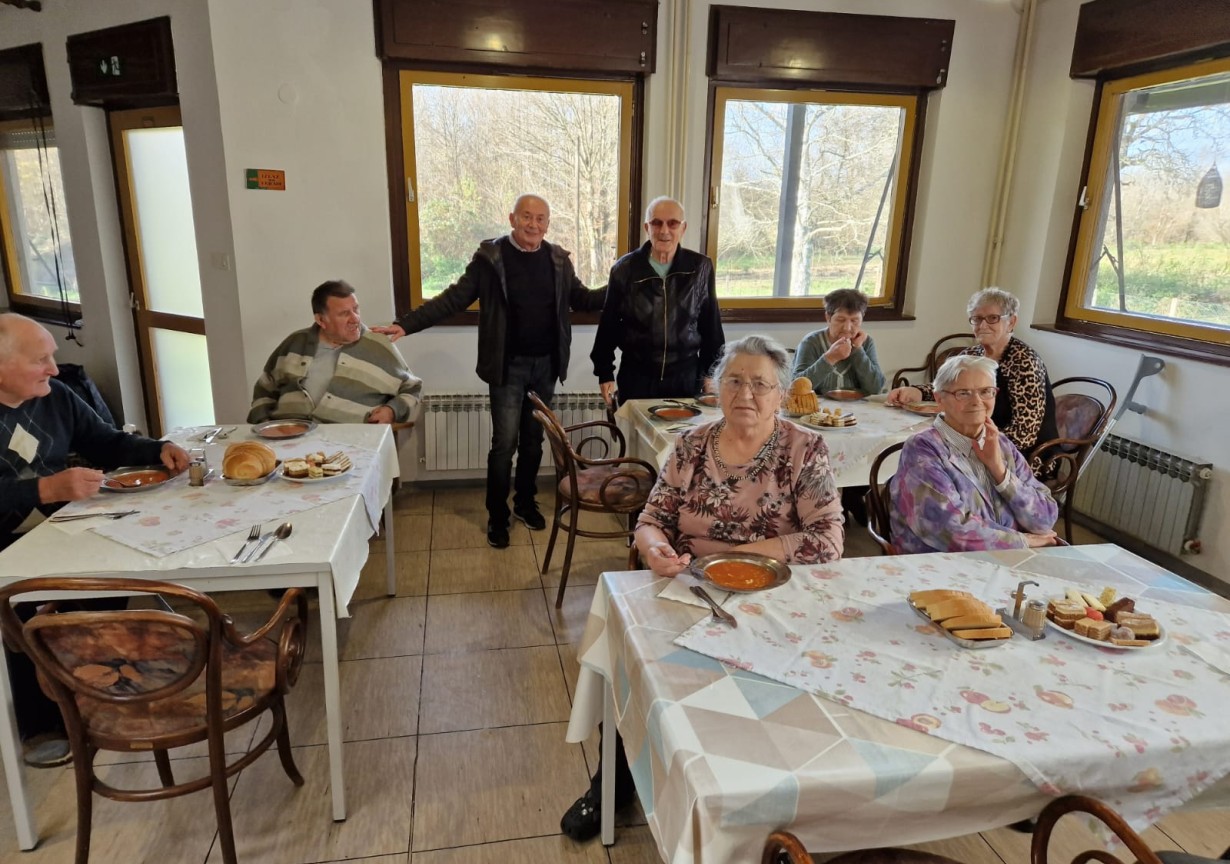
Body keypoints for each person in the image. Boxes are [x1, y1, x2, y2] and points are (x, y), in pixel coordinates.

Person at [561, 334, 844, 842]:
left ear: (781, 394)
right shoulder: (691, 444)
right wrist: (653, 550)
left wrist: (730, 557)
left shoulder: (806, 448)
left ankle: (767, 794)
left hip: (776, 594)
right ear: (717, 387)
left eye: (761, 384)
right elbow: (650, 519)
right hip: (689, 585)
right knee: (634, 669)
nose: (746, 394)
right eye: (735, 380)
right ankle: (614, 781)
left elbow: (827, 542)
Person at [0, 312, 190, 767]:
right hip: (8, 541)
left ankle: (105, 681)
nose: (53, 368)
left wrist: (156, 448)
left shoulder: (56, 395)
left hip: (62, 526)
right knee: (27, 605)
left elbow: (105, 442)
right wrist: (42, 490)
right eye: (40, 359)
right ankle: (41, 718)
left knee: (116, 571)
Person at [373, 194, 605, 549]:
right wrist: (406, 325)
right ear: (512, 218)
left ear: (548, 223)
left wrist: (619, 284)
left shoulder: (558, 261)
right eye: (527, 217)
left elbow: (583, 299)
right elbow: (452, 299)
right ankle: (498, 516)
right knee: (504, 444)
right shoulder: (490, 258)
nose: (534, 224)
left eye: (541, 219)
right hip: (507, 368)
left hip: (546, 366)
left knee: (533, 442)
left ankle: (525, 504)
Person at [889, 354, 1059, 553]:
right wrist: (1022, 541)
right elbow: (950, 531)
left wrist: (999, 470)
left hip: (1006, 562)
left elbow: (1045, 519)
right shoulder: (922, 450)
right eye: (963, 393)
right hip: (942, 568)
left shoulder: (1001, 444)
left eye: (986, 391)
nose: (977, 401)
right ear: (939, 399)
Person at [886, 287, 1058, 463]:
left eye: (993, 318)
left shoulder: (1024, 362)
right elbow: (948, 387)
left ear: (1011, 322)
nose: (983, 325)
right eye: (977, 319)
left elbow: (1024, 434)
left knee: (932, 459)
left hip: (1024, 457)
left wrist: (969, 445)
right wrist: (917, 391)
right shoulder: (971, 355)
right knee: (924, 455)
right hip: (976, 444)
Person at [590, 196, 724, 405]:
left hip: (685, 378)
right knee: (635, 436)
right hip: (637, 378)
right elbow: (609, 326)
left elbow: (711, 325)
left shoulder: (700, 267)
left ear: (683, 228)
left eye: (672, 223)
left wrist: (711, 373)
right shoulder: (624, 270)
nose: (664, 231)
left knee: (683, 437)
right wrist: (604, 372)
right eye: (656, 223)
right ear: (647, 227)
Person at [248, 280, 422, 425]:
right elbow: (265, 387)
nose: (355, 318)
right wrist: (264, 425)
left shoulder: (378, 345)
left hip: (352, 444)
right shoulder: (294, 343)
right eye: (344, 313)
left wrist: (391, 411)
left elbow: (412, 388)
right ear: (321, 320)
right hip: (288, 439)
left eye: (356, 309)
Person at [791, 288, 886, 397]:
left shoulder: (866, 342)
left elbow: (876, 388)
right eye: (841, 320)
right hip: (819, 409)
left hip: (858, 408)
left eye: (854, 321)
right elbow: (797, 388)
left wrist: (857, 350)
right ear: (828, 317)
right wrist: (830, 358)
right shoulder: (811, 342)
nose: (847, 328)